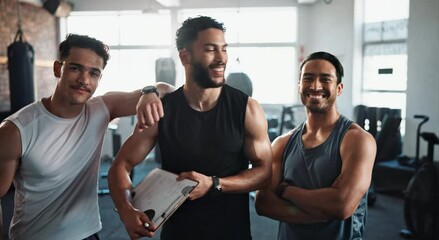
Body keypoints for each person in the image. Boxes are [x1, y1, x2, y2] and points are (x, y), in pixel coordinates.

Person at [107, 16, 273, 240]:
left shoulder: (247, 109)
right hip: (178, 233)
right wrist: (126, 210)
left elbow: (264, 172)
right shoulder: (163, 110)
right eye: (210, 49)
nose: (221, 58)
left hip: (231, 232)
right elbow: (121, 165)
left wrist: (215, 184)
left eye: (223, 49)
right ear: (185, 56)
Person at [0, 33, 170, 240]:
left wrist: (149, 93)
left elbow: (168, 90)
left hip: (88, 234)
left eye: (94, 73)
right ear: (57, 68)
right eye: (75, 68)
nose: (84, 80)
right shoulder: (16, 129)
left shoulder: (102, 108)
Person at [254, 51, 377, 240]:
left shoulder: (357, 140)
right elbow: (263, 203)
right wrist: (321, 212)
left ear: (339, 88)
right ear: (299, 86)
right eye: (308, 78)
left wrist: (286, 191)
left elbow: (341, 205)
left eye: (325, 79)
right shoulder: (282, 144)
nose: (315, 86)